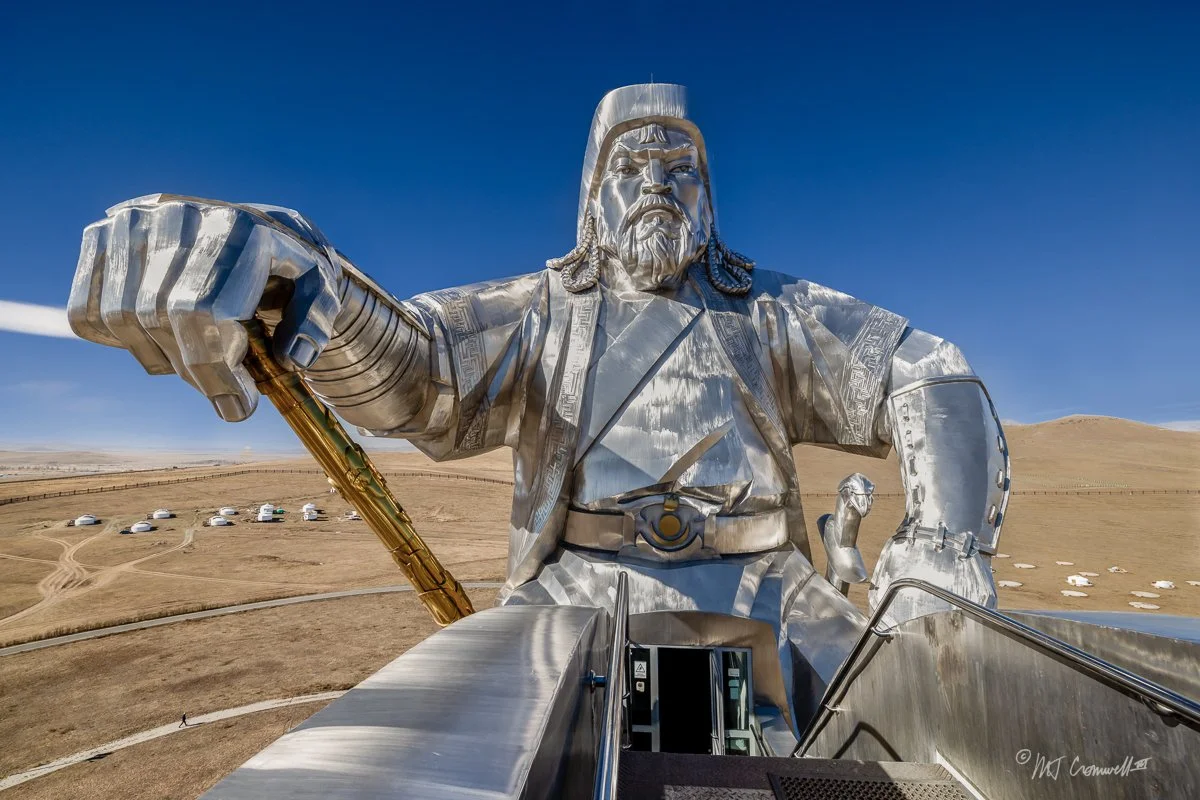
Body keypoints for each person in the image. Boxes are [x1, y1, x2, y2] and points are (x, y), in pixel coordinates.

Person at [66, 84, 1008, 725]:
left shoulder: (772, 314)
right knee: (431, 745)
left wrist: (944, 550)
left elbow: (931, 373)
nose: (656, 184)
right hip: (574, 587)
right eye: (629, 167)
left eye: (681, 167)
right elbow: (419, 373)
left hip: (774, 587)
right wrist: (305, 277)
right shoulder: (538, 312)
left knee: (911, 714)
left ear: (711, 196)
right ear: (591, 197)